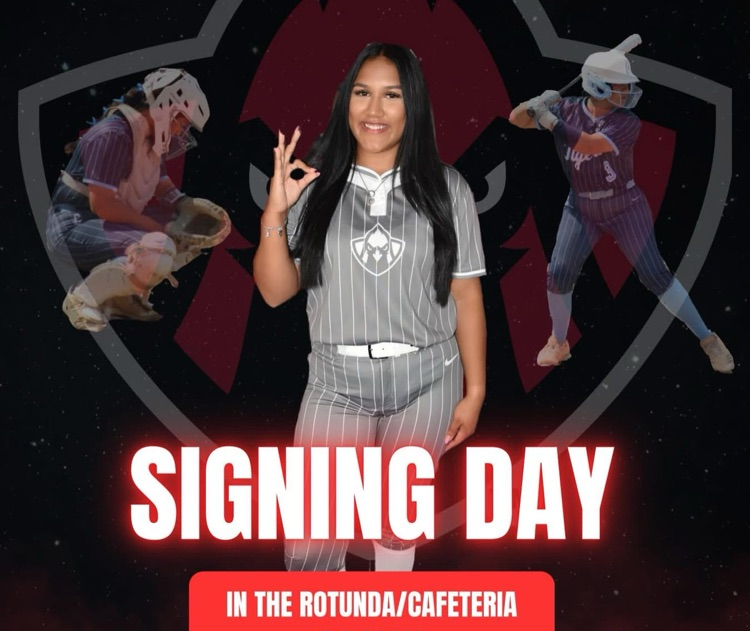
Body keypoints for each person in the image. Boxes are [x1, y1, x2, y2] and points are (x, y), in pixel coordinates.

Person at [253, 42, 487, 571]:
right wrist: (275, 210)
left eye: (391, 96)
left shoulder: (449, 188)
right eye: (363, 93)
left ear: (414, 107)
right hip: (335, 383)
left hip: (428, 375)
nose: (374, 111)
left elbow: (466, 294)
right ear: (345, 102)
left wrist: (474, 393)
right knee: (312, 547)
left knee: (396, 528)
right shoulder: (312, 187)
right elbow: (275, 292)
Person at [508, 49, 734, 373]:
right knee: (558, 273)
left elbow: (587, 144)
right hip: (582, 205)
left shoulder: (627, 122)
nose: (626, 92)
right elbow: (516, 120)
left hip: (624, 205)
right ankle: (558, 341)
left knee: (655, 274)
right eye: (620, 86)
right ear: (597, 85)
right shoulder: (567, 109)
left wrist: (547, 118)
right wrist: (536, 103)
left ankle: (708, 339)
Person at [47, 67, 230, 332]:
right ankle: (82, 299)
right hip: (70, 226)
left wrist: (186, 205)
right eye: (182, 121)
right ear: (167, 105)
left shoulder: (147, 141)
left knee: (184, 241)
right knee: (158, 246)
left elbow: (163, 188)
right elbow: (103, 205)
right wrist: (153, 229)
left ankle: (122, 285)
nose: (181, 131)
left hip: (100, 223)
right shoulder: (113, 134)